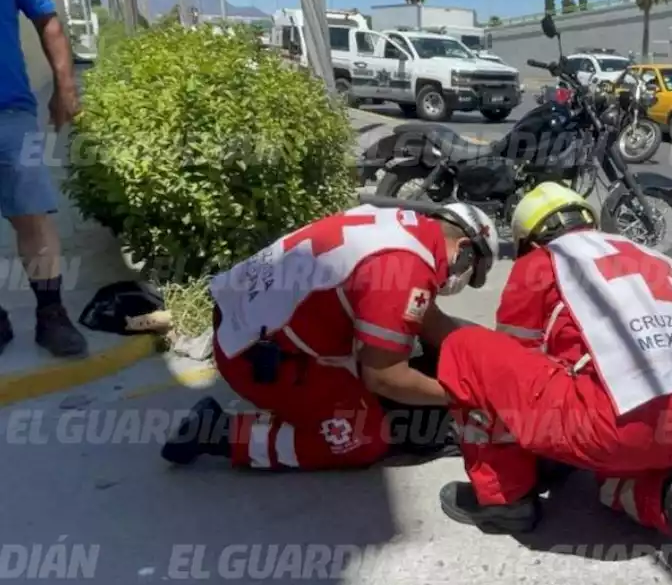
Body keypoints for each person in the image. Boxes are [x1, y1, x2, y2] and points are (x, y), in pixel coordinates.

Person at [433, 182, 672, 585]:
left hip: (613, 422)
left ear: (531, 238)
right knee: (612, 483)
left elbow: (513, 368)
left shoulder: (543, 262)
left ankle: (504, 501)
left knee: (467, 350)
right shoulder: (656, 258)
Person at [160, 201, 498, 470]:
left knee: (397, 349)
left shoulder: (403, 227)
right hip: (255, 357)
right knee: (363, 439)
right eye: (473, 273)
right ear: (465, 249)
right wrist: (464, 397)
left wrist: (496, 352)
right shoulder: (405, 268)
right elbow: (385, 378)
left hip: (248, 319)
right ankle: (220, 433)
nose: (464, 282)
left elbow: (432, 321)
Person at [0, 0, 87, 357]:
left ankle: (51, 315)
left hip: (10, 112)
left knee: (32, 215)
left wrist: (65, 86)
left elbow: (46, 18)